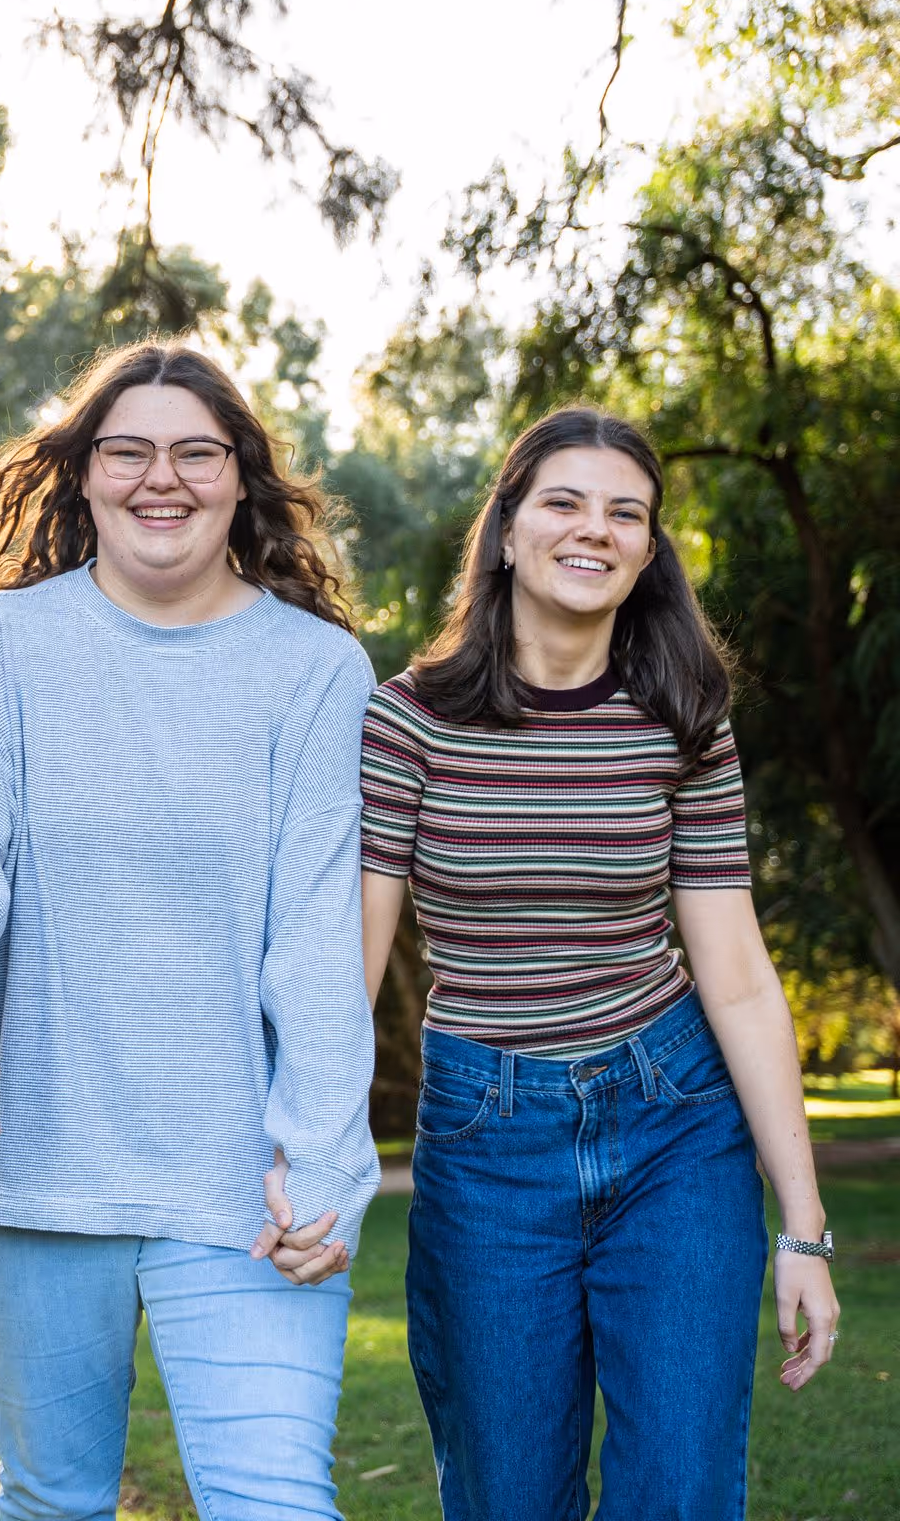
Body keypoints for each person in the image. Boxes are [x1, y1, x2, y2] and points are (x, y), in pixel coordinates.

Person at [0, 340, 381, 1521]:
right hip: (32, 1166)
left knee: (274, 1504)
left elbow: (315, 939)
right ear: (84, 477)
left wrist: (322, 1155)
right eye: (128, 451)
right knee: (53, 1501)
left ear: (239, 477)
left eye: (196, 452)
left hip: (246, 1186)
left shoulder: (315, 671)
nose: (163, 477)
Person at [358, 406, 840, 1519]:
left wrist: (802, 1231)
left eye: (626, 513)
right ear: (508, 529)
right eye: (563, 503)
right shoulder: (408, 721)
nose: (596, 530)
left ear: (648, 548)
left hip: (672, 1120)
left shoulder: (682, 718)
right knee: (504, 1494)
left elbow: (734, 977)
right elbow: (357, 964)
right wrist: (314, 1146)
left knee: (677, 1491)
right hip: (485, 1136)